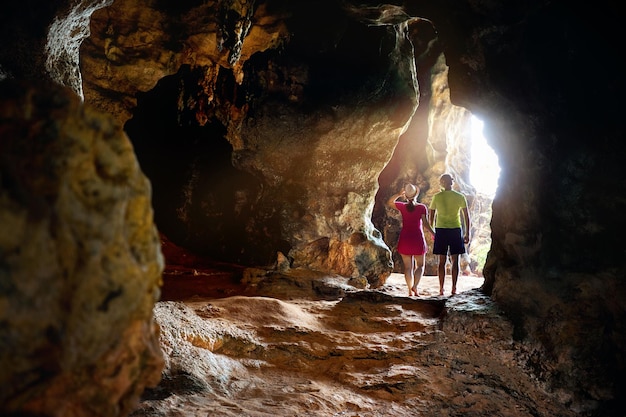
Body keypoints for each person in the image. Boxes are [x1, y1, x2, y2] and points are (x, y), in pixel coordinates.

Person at [388, 183, 435, 296]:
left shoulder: (403, 207)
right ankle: (415, 287)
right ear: (416, 194)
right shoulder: (421, 207)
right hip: (417, 238)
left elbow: (390, 202)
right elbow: (425, 224)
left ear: (406, 196)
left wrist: (399, 194)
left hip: (405, 238)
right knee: (420, 266)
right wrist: (433, 233)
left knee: (408, 267)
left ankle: (409, 291)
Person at [428, 173, 470, 296]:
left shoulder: (437, 197)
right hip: (455, 230)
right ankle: (454, 288)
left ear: (441, 183)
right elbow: (466, 217)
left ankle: (441, 289)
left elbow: (431, 214)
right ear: (452, 182)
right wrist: (467, 232)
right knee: (455, 260)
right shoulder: (460, 196)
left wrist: (432, 230)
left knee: (442, 261)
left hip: (440, 230)